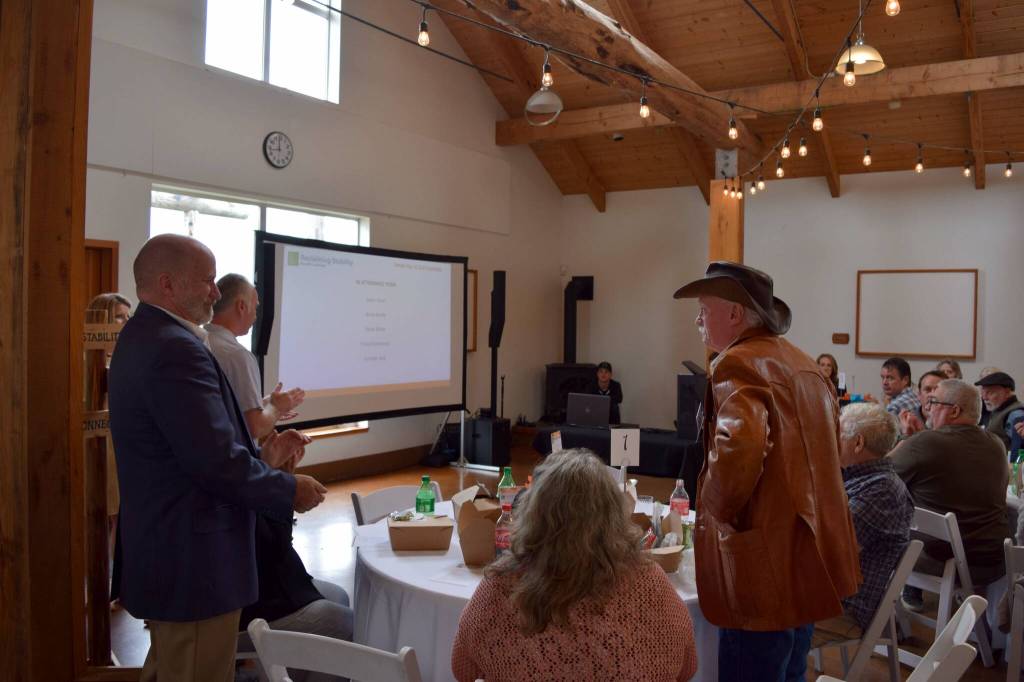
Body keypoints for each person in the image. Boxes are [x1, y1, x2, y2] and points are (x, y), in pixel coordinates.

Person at [109, 234, 328, 682]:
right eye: (206, 281)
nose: (215, 292)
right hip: (194, 559)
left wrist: (263, 456)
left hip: (170, 546)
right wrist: (288, 489)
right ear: (167, 285)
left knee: (171, 666)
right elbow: (215, 462)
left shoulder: (148, 334)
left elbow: (195, 447)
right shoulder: (175, 348)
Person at [673, 261, 861, 681]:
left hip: (759, 564)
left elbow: (740, 448)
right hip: (806, 558)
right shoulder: (807, 365)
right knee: (790, 670)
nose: (698, 319)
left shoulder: (736, 363)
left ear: (735, 315)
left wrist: (713, 513)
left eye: (705, 309)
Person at [451, 450, 697, 682]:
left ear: (534, 512)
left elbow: (462, 668)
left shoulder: (502, 584)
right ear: (614, 513)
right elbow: (688, 667)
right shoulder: (649, 581)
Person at [891, 379, 1009, 611]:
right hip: (993, 559)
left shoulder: (925, 442)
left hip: (946, 560)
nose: (928, 407)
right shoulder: (996, 443)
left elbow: (880, 475)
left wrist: (907, 438)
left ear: (954, 410)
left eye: (934, 402)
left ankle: (881, 622)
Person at [813, 404, 913, 646]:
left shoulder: (881, 491)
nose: (830, 440)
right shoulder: (860, 478)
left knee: (751, 616)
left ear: (858, 443)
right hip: (828, 594)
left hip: (845, 608)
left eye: (836, 434)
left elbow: (825, 552)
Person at [206, 273, 305, 441]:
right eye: (255, 307)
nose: (256, 315)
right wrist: (276, 407)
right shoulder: (237, 356)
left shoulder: (198, 341)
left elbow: (225, 410)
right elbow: (255, 428)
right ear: (241, 307)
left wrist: (263, 404)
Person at [86, 292, 133, 607]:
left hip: (123, 451)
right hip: (96, 452)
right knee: (98, 522)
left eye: (128, 318)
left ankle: (121, 589)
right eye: (119, 317)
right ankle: (96, 588)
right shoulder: (88, 364)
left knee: (122, 523)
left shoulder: (126, 360)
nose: (125, 324)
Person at [975, 371, 1024, 457]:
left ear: (1007, 392)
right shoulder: (998, 408)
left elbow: (1018, 451)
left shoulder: (1015, 415)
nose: (984, 398)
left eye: (990, 392)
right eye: (983, 392)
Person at [898, 370, 945, 438]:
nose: (932, 394)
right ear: (919, 395)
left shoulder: (952, 422)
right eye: (927, 389)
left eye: (937, 390)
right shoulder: (907, 421)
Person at [590, 360, 623, 424]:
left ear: (610, 374)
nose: (603, 374)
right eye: (601, 372)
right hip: (595, 411)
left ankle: (614, 427)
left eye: (606, 372)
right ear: (597, 374)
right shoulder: (591, 385)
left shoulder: (616, 385)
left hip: (610, 412)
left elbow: (619, 399)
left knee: (615, 407)